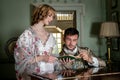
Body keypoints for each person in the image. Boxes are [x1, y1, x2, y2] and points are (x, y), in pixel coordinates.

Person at [14, 4, 58, 80]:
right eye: (50, 16)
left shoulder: (50, 36)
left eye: (53, 17)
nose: (52, 19)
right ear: (42, 14)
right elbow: (20, 60)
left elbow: (55, 57)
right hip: (34, 76)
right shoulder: (27, 35)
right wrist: (42, 57)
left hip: (51, 75)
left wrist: (63, 63)